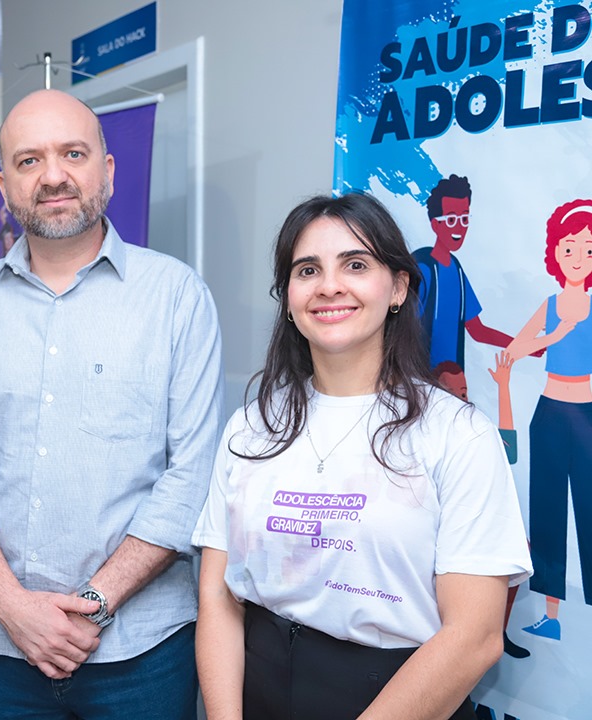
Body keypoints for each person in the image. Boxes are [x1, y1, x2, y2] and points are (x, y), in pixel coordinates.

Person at [0, 89, 224, 719]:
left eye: (73, 153)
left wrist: (93, 605)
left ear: (107, 171)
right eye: (29, 161)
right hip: (0, 647)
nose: (53, 176)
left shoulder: (176, 296)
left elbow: (191, 475)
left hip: (144, 652)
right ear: (4, 186)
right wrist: (13, 607)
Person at [194, 193, 531, 720]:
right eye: (308, 270)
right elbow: (218, 596)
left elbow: (476, 636)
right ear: (288, 298)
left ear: (397, 288)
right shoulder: (250, 427)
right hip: (258, 689)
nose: (329, 286)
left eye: (355, 264)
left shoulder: (457, 434)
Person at [505, 199, 592, 642]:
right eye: (570, 247)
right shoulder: (551, 305)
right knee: (547, 515)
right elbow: (514, 350)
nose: (578, 257)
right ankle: (552, 617)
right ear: (556, 252)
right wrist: (553, 335)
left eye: (588, 249)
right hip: (550, 414)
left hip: (588, 414)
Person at [434, 355, 530, 659]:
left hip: (477, 525)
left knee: (517, 549)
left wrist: (502, 385)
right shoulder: (427, 431)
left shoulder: (476, 428)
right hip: (441, 535)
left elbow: (510, 447)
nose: (458, 399)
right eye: (450, 393)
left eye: (463, 393)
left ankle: (497, 629)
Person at [414, 174, 513, 370]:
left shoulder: (456, 270)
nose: (459, 227)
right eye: (451, 219)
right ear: (435, 224)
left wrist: (521, 345)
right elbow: (400, 329)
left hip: (453, 380)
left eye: (464, 218)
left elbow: (477, 330)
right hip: (421, 379)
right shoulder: (424, 268)